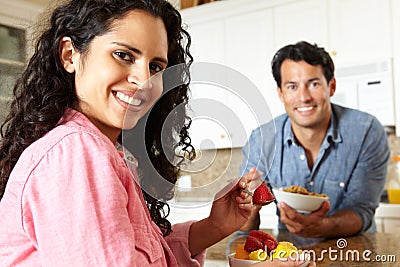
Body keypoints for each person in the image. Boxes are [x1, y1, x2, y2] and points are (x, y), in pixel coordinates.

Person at [0, 1, 313, 266]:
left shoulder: (106, 150)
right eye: (123, 55)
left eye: (156, 66)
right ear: (70, 55)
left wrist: (214, 226)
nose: (143, 80)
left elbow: (145, 253)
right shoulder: (77, 152)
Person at [239, 41, 390, 238]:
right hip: (290, 255)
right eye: (292, 86)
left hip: (352, 251)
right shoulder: (262, 140)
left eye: (314, 84)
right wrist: (247, 207)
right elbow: (244, 227)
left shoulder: (367, 132)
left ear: (331, 86)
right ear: (281, 93)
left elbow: (362, 210)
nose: (303, 97)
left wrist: (324, 226)